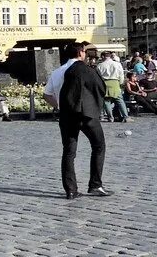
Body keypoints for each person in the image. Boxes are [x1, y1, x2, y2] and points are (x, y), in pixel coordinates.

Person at [56, 42, 109, 199]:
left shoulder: (63, 71)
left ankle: (70, 189)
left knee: (69, 152)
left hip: (67, 115)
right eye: (84, 52)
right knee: (99, 146)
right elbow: (100, 87)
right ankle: (95, 184)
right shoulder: (87, 69)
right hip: (86, 114)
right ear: (80, 53)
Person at [96, 51, 128, 122]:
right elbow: (121, 74)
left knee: (107, 101)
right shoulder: (117, 64)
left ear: (103, 56)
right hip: (115, 82)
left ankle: (110, 117)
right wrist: (121, 83)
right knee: (119, 100)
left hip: (104, 82)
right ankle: (125, 116)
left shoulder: (100, 65)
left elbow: (98, 76)